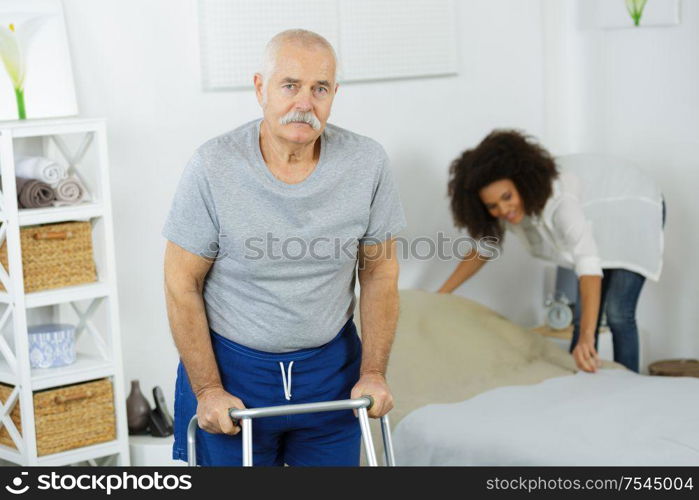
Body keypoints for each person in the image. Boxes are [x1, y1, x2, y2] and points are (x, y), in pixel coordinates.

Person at [162, 29, 406, 466]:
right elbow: (181, 282)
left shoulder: (367, 162)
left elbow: (380, 274)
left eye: (320, 89)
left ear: (334, 94)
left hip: (331, 375)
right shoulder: (213, 165)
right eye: (290, 85)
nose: (305, 103)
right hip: (232, 374)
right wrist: (207, 389)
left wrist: (373, 373)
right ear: (261, 88)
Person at [439, 130, 664, 373]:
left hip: (631, 207)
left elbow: (587, 265)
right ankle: (584, 379)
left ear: (522, 183)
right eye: (492, 205)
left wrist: (587, 339)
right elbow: (482, 250)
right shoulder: (507, 208)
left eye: (507, 197)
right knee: (583, 318)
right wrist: (442, 294)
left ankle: (627, 385)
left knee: (618, 312)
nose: (504, 209)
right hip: (598, 215)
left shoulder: (561, 203)